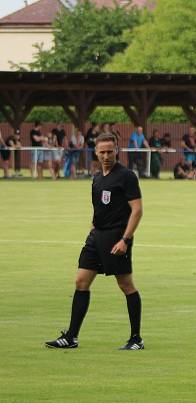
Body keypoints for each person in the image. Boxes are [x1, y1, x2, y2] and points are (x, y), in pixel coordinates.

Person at [44, 133, 144, 351]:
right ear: (96, 152)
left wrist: (125, 240)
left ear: (117, 150)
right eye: (102, 151)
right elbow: (98, 208)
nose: (106, 155)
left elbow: (137, 210)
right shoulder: (97, 178)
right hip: (96, 237)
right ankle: (71, 336)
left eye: (110, 151)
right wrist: (92, 232)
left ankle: (136, 338)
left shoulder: (126, 176)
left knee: (125, 285)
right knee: (81, 281)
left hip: (117, 237)